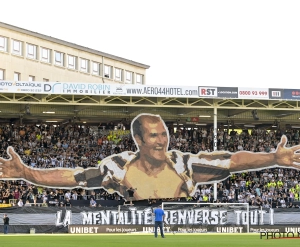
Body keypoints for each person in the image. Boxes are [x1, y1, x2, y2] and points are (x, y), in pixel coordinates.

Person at [1, 113, 300, 201]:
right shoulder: (118, 168)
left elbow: (231, 161)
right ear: (139, 140)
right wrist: (28, 173)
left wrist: (272, 158)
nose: (162, 140)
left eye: (164, 133)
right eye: (154, 135)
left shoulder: (184, 163)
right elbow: (76, 177)